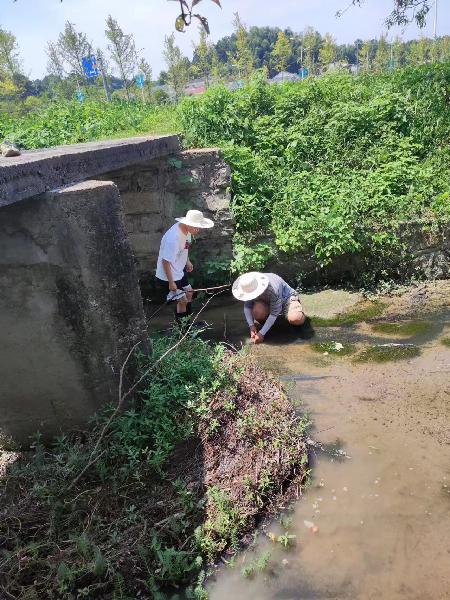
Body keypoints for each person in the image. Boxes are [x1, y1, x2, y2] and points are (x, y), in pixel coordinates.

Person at [155, 209, 214, 323]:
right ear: (187, 223)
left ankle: (189, 324)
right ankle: (183, 331)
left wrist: (187, 261)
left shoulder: (187, 231)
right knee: (182, 300)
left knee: (190, 293)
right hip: (168, 276)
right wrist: (171, 282)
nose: (198, 230)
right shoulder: (173, 238)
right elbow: (165, 261)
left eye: (199, 227)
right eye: (196, 227)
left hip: (179, 271)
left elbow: (184, 248)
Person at [232, 272, 305, 343]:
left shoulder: (272, 289)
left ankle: (296, 310)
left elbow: (274, 313)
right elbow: (247, 306)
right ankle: (269, 324)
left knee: (296, 318)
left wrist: (261, 333)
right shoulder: (249, 287)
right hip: (267, 301)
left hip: (286, 298)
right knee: (257, 313)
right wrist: (251, 326)